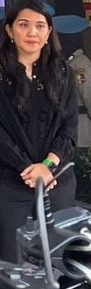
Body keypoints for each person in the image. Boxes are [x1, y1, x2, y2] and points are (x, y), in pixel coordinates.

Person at [0, 0, 77, 263]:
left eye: (40, 26)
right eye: (23, 25)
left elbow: (69, 128)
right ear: (9, 30)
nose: (32, 32)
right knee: (14, 261)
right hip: (7, 179)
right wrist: (30, 170)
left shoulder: (63, 71)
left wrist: (47, 166)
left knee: (59, 261)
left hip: (56, 178)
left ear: (49, 32)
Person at [58, 15, 91, 202]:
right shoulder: (69, 63)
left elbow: (88, 96)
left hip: (82, 130)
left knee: (82, 174)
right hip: (73, 128)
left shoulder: (81, 66)